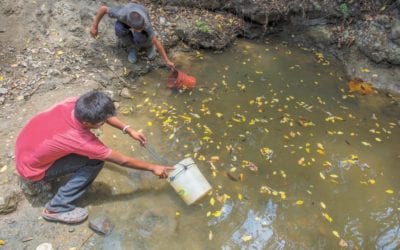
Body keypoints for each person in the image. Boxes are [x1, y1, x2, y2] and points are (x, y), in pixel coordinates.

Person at [15, 90, 174, 224]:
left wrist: (128, 129)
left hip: (25, 149)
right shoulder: (80, 140)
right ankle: (56, 208)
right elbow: (122, 160)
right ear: (87, 122)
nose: (103, 123)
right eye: (100, 123)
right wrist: (153, 167)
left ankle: (46, 178)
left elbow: (104, 115)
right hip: (31, 168)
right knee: (96, 161)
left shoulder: (75, 104)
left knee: (73, 150)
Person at [90, 2, 175, 68]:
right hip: (127, 14)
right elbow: (103, 9)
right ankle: (131, 48)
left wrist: (167, 61)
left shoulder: (146, 23)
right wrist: (94, 26)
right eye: (138, 29)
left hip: (139, 12)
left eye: (141, 28)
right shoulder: (121, 14)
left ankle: (149, 45)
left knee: (139, 36)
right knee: (119, 29)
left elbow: (156, 41)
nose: (141, 29)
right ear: (131, 25)